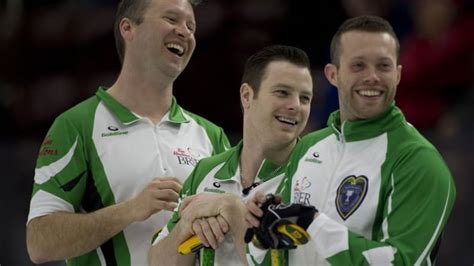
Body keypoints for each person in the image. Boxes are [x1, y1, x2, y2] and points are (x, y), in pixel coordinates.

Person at [26, 0, 230, 265]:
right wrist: (131, 210)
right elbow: (39, 243)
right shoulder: (77, 125)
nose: (185, 32)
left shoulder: (211, 135)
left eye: (191, 26)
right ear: (128, 28)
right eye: (171, 19)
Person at [246, 15, 456, 265]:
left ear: (398, 74)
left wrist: (314, 224)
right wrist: (263, 230)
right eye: (358, 65)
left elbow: (402, 261)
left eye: (384, 66)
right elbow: (276, 255)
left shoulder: (418, 160)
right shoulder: (308, 147)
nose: (372, 77)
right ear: (332, 74)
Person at [149, 45, 314, 265]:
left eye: (305, 98)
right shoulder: (206, 170)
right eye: (282, 93)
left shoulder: (313, 175)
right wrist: (185, 225)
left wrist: (231, 210)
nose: (295, 106)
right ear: (247, 96)